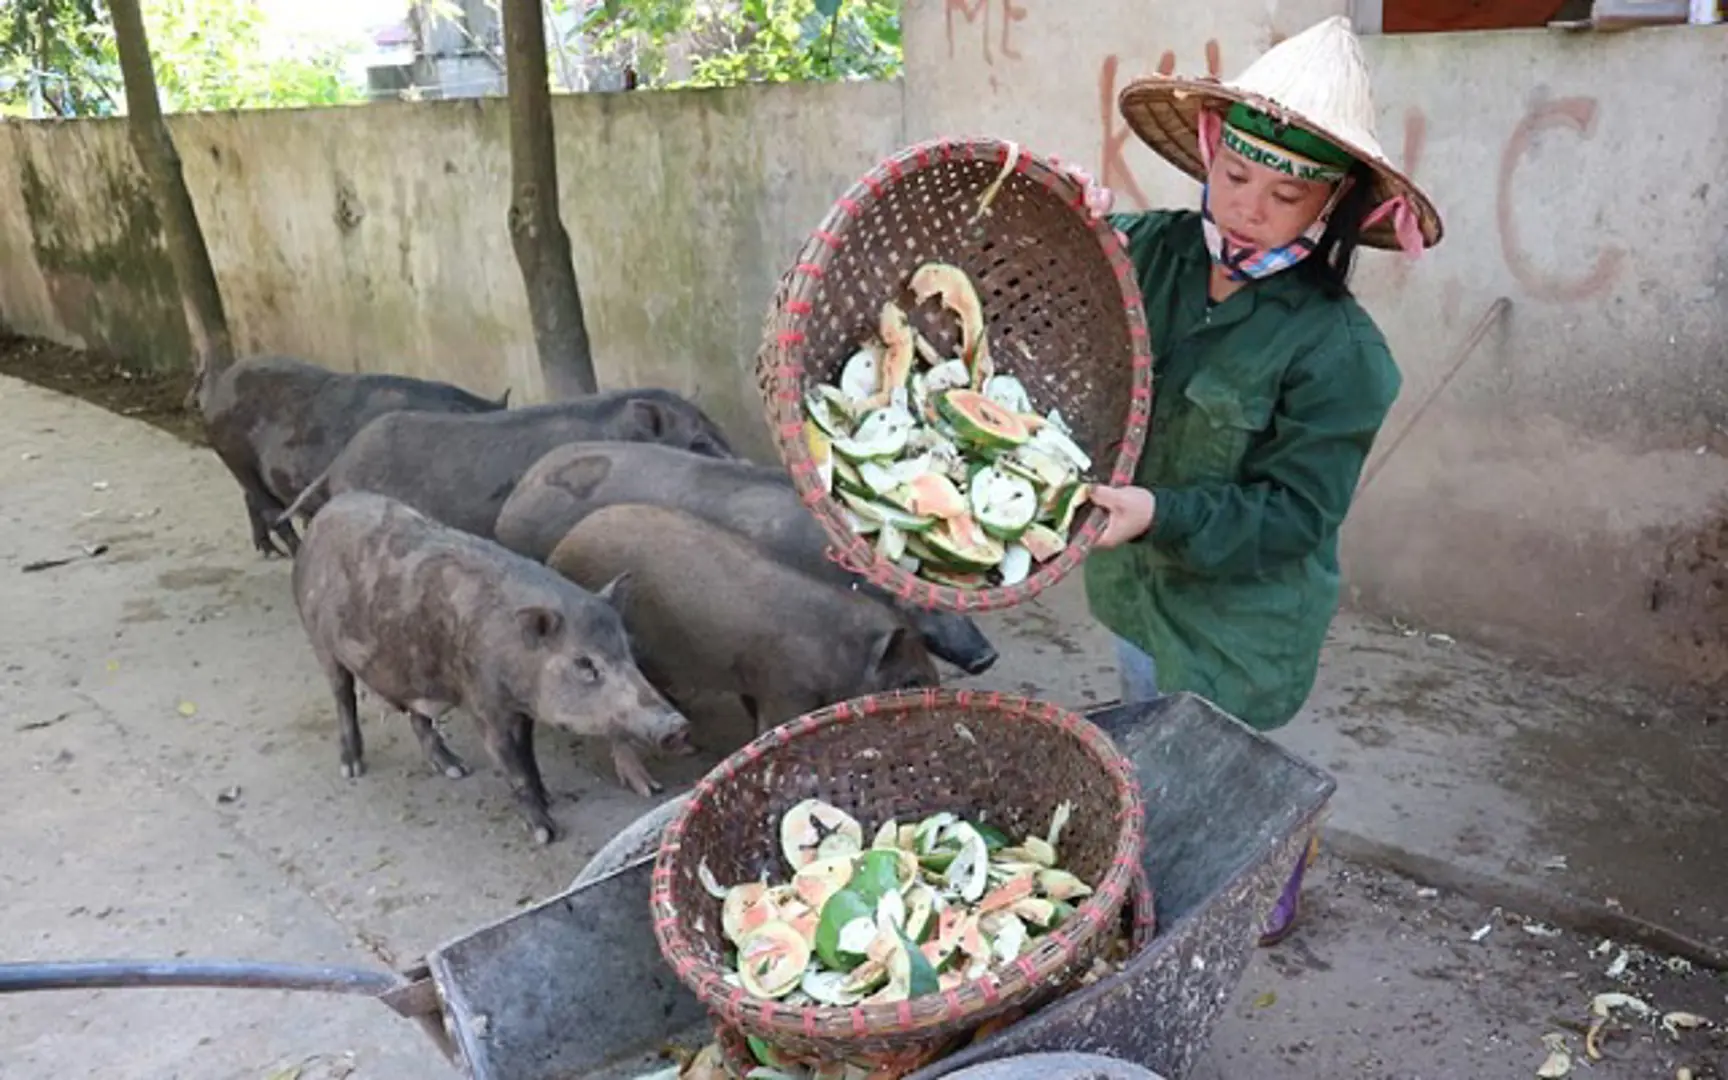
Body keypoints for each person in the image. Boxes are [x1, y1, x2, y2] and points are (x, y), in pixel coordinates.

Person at [1062, 16, 1445, 946]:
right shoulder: (1144, 250)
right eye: (1234, 176)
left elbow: (1295, 514)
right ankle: (1175, 859)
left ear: (1333, 210)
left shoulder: (1341, 352)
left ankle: (1275, 853)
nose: (1247, 207)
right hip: (1136, 582)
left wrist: (1159, 512)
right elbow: (1044, 277)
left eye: (1285, 194)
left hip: (1245, 618)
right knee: (1154, 731)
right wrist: (1057, 211)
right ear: (1206, 152)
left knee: (1233, 758)